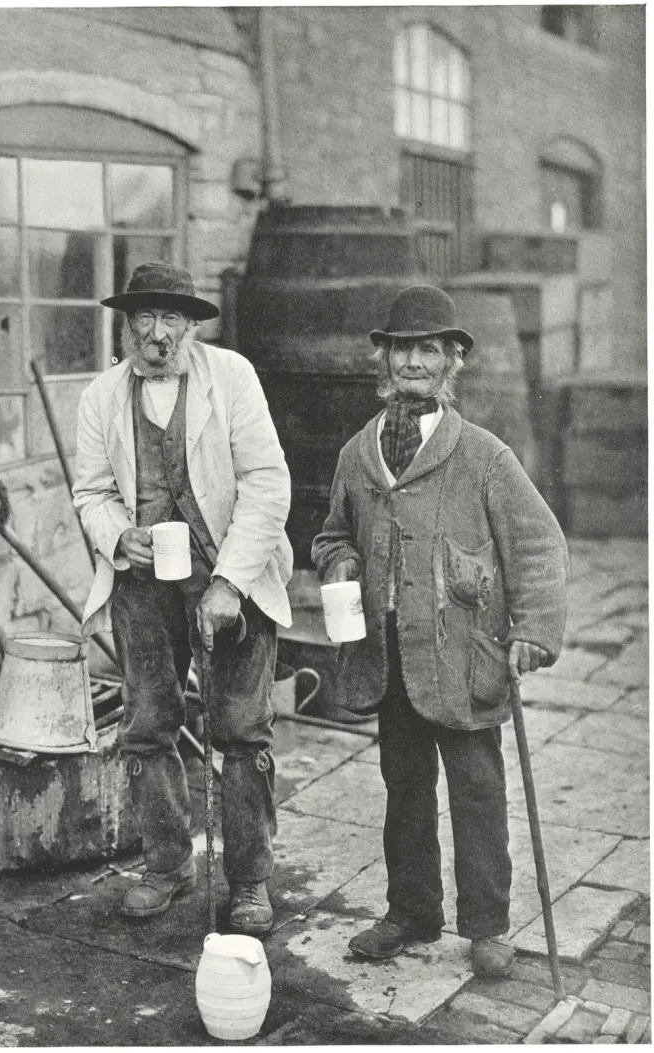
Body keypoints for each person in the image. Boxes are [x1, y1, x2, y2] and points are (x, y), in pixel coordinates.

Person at [311, 285, 568, 978]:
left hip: (465, 656)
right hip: (390, 655)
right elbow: (332, 532)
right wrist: (340, 559)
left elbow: (540, 545)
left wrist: (533, 629)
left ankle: (487, 924)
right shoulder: (357, 455)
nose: (415, 361)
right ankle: (411, 910)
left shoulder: (482, 455)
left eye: (430, 349)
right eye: (402, 349)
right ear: (384, 359)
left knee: (478, 789)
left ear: (451, 361)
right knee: (404, 783)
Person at [73, 262, 293, 935]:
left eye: (171, 318)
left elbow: (267, 483)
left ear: (192, 326)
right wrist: (119, 537)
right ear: (127, 324)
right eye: (144, 318)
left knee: (240, 728)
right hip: (145, 588)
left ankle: (250, 876)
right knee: (146, 724)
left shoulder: (232, 378)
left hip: (235, 574)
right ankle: (168, 861)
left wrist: (228, 582)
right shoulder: (102, 396)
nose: (157, 332)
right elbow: (91, 492)